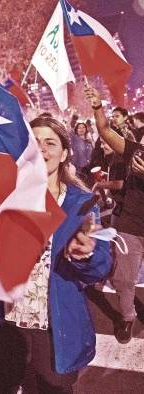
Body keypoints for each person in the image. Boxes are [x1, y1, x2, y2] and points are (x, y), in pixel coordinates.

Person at [0, 116, 111, 394]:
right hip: (9, 326)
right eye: (34, 142)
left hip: (55, 330)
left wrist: (85, 255)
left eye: (50, 143)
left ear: (64, 153)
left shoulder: (81, 203)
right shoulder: (4, 199)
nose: (41, 149)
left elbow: (101, 267)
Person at [85, 84, 144, 344]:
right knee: (123, 279)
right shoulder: (134, 151)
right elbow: (106, 131)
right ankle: (127, 317)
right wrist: (98, 107)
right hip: (130, 224)